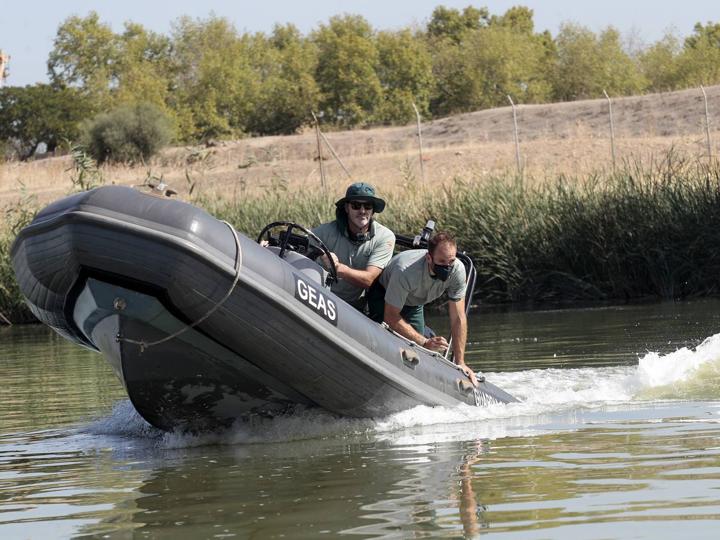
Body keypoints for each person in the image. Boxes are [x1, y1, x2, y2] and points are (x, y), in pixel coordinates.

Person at [370, 231, 479, 386]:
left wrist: (460, 361)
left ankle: (427, 338)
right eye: (442, 262)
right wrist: (424, 341)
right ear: (429, 258)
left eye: (451, 261)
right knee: (388, 334)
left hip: (414, 303)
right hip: (383, 295)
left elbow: (458, 317)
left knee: (420, 347)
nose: (447, 267)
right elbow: (391, 316)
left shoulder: (458, 270)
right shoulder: (406, 270)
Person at [312, 182, 395, 312]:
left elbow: (369, 279)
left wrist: (338, 268)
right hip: (321, 298)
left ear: (373, 210)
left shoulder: (385, 237)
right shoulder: (325, 231)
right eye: (356, 206)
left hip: (355, 308)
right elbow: (298, 244)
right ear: (346, 208)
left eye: (367, 206)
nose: (362, 211)